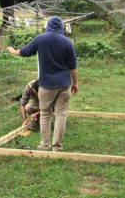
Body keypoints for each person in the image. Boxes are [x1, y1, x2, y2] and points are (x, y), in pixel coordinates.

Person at [7, 16, 78, 152]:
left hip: (47, 85)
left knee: (45, 114)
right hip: (64, 84)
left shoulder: (41, 39)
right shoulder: (67, 42)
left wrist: (12, 51)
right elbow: (73, 66)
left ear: (48, 26)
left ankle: (44, 146)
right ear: (60, 28)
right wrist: (75, 83)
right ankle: (57, 147)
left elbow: (25, 52)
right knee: (61, 114)